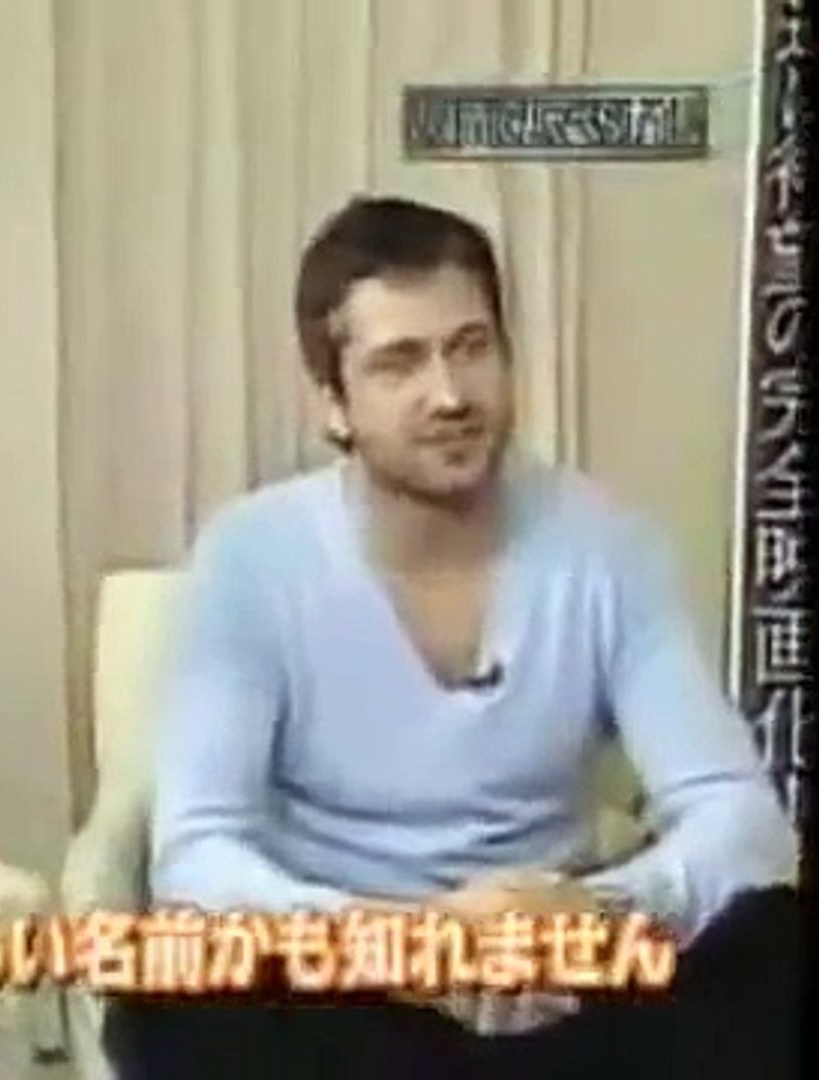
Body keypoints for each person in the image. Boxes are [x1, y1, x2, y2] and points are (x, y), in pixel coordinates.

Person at [101, 196, 801, 1079]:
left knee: (776, 940)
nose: (450, 395)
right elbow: (200, 853)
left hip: (561, 993)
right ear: (334, 402)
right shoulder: (251, 558)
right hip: (350, 997)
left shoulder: (610, 548)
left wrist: (599, 914)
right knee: (173, 997)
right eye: (400, 363)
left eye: (471, 348)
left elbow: (742, 820)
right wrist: (401, 943)